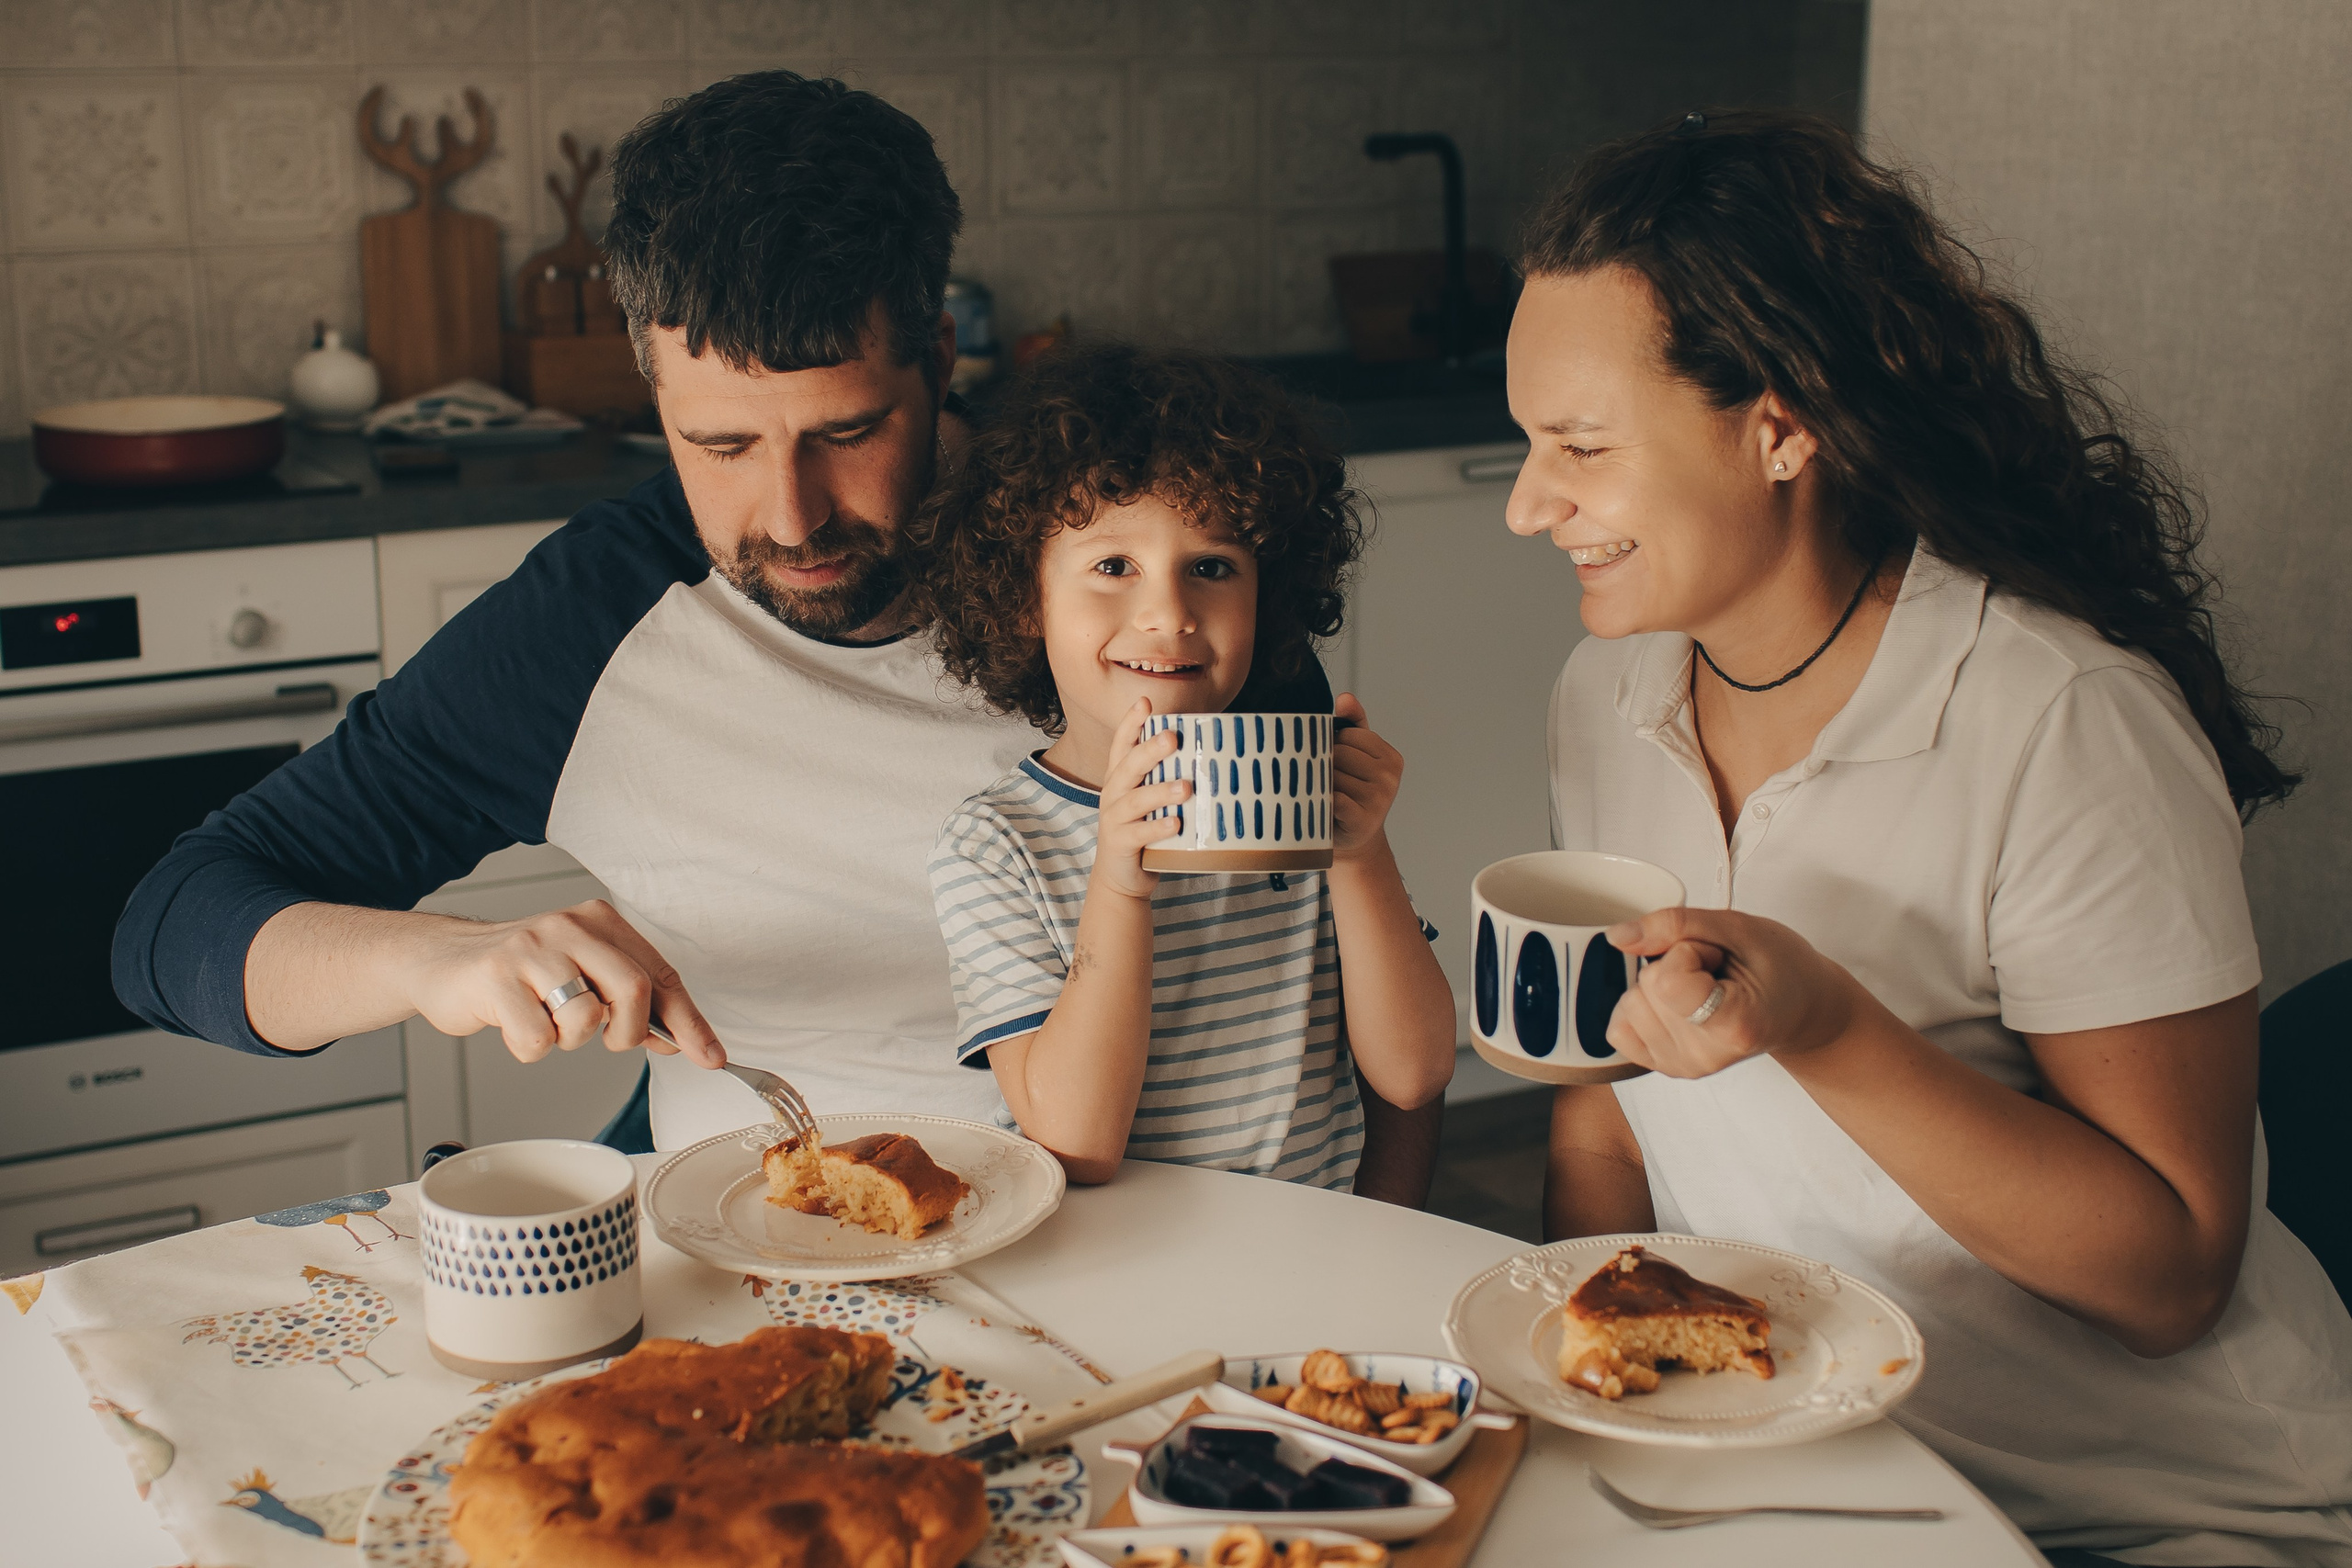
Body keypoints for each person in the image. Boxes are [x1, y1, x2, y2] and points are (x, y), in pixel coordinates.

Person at [106, 72, 1419, 1163]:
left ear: (939, 358)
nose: (790, 517)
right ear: (650, 390)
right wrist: (441, 960)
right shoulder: (596, 620)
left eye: (847, 432)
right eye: (719, 442)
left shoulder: (1133, 577)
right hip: (749, 1242)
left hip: (1144, 1236)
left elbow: (1330, 1008)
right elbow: (172, 925)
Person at [1513, 111, 2352, 1565]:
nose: (1532, 505)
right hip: (1806, 1462)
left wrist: (1825, 1018)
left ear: (1781, 426)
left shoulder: (2061, 718)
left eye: (1581, 447)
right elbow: (1609, 1107)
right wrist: (1579, 1391)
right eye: (1528, 445)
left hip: (2143, 1512)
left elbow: (2170, 1275)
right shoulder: (1610, 691)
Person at [913, 345, 1456, 1192]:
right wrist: (1120, 886)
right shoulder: (996, 846)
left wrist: (1361, 855)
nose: (1169, 612)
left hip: (1311, 1259)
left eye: (1212, 567)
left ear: (1264, 597)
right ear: (1026, 599)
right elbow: (1076, 1143)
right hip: (1121, 1278)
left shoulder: (1295, 798)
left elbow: (1415, 1074)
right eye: (1112, 566)